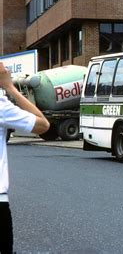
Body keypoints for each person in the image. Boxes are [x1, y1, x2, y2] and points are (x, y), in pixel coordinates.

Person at [0, 62, 50, 253]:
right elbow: (43, 125)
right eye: (3, 68)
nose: (7, 71)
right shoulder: (2, 108)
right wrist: (10, 87)